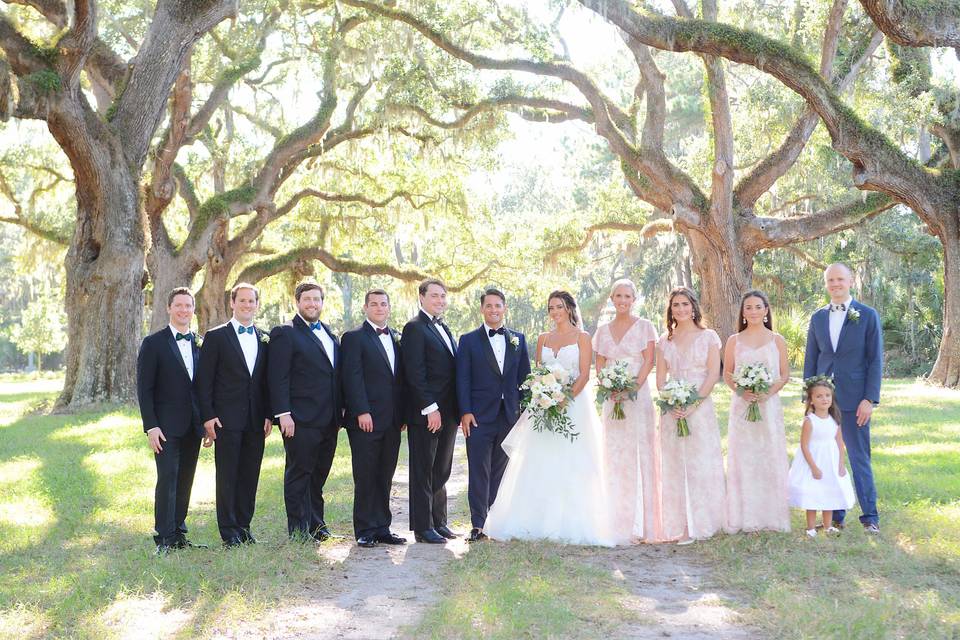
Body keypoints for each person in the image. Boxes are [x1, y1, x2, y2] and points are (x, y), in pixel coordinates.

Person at [484, 291, 616, 546]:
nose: (555, 312)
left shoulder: (583, 337)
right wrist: (544, 394)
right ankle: (535, 519)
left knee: (571, 460)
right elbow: (539, 373)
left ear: (569, 308)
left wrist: (565, 399)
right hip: (543, 406)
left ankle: (570, 520)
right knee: (539, 459)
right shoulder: (543, 338)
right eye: (551, 308)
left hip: (573, 406)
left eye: (559, 307)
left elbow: (585, 375)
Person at [803, 263, 883, 534]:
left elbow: (875, 361)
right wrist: (810, 400)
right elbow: (811, 360)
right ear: (826, 284)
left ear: (850, 281)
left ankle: (870, 516)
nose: (835, 284)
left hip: (855, 398)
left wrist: (869, 399)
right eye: (830, 280)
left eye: (840, 279)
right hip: (824, 402)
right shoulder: (817, 318)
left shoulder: (868, 315)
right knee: (826, 456)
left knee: (859, 457)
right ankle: (834, 515)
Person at [195, 283, 273, 547]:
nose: (247, 305)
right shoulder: (216, 337)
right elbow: (203, 381)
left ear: (257, 304)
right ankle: (229, 531)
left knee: (250, 474)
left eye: (252, 301)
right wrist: (208, 417)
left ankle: (244, 526)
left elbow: (265, 382)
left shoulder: (265, 338)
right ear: (232, 302)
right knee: (227, 475)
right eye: (242, 301)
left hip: (256, 420)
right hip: (225, 420)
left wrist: (268, 415)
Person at [268, 282, 343, 542]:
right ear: (297, 302)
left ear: (322, 302)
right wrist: (283, 413)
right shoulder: (285, 333)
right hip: (299, 419)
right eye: (307, 299)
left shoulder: (330, 334)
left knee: (319, 475)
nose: (312, 304)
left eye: (317, 299)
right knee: (299, 473)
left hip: (329, 418)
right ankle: (298, 530)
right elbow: (278, 377)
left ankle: (317, 526)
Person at [456, 288, 531, 543]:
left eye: (498, 305)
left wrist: (524, 411)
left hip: (508, 416)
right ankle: (477, 524)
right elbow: (462, 379)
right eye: (489, 306)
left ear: (505, 308)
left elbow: (525, 379)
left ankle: (494, 521)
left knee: (500, 470)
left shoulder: (518, 340)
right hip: (478, 416)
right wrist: (465, 411)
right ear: (482, 309)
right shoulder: (468, 340)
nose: (494, 310)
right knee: (479, 470)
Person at [136, 287, 206, 554]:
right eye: (179, 305)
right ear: (168, 308)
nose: (184, 310)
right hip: (164, 427)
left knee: (186, 479)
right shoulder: (153, 343)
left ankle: (178, 532)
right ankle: (163, 538)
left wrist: (205, 423)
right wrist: (151, 426)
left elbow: (201, 387)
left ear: (193, 309)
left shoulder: (199, 342)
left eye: (188, 306)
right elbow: (145, 390)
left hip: (193, 426)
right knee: (167, 478)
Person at [656, 287, 726, 544]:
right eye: (676, 305)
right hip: (672, 409)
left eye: (685, 304)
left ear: (694, 307)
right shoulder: (665, 341)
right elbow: (661, 378)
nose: (681, 309)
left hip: (699, 405)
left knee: (700, 462)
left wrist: (693, 404)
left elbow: (712, 374)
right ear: (670, 309)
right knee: (675, 465)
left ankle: (705, 520)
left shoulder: (709, 337)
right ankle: (680, 525)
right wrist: (671, 400)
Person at [592, 279, 660, 542]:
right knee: (615, 453)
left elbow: (648, 361)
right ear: (612, 299)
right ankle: (616, 517)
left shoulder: (645, 327)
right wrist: (610, 387)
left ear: (634, 299)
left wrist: (630, 388)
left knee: (638, 452)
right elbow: (599, 364)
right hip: (612, 399)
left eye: (627, 296)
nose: (622, 300)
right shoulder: (602, 331)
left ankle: (641, 522)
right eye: (618, 296)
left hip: (637, 397)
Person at [341, 289, 407, 548]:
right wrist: (361, 411)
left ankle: (383, 527)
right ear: (365, 308)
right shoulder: (354, 338)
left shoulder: (396, 337)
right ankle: (365, 529)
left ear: (389, 308)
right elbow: (352, 376)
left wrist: (401, 414)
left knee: (385, 474)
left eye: (383, 304)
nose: (379, 308)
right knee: (366, 474)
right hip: (366, 419)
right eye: (374, 304)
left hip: (392, 420)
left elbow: (398, 380)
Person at [722, 290, 791, 533]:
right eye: (748, 307)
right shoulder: (734, 340)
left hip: (768, 405)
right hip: (742, 406)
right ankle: (744, 516)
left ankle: (772, 516)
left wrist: (768, 392)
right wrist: (742, 391)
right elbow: (727, 374)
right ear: (742, 312)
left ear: (766, 310)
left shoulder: (777, 340)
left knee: (767, 455)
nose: (752, 311)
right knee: (745, 457)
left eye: (757, 307)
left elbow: (784, 375)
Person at [402, 279, 460, 544]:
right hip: (428, 412)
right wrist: (430, 408)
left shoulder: (443, 327)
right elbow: (415, 373)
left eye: (442, 296)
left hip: (449, 412)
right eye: (434, 295)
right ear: (421, 297)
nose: (439, 300)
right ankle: (423, 527)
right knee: (423, 469)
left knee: (442, 469)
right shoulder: (414, 328)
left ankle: (439, 521)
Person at [788, 377, 855, 538]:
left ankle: (827, 526)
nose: (824, 399)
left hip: (830, 461)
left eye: (827, 395)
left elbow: (839, 443)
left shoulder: (835, 420)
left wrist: (840, 464)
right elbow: (804, 446)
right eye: (819, 396)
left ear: (832, 399)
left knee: (829, 492)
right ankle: (810, 527)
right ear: (811, 401)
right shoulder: (810, 421)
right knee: (813, 493)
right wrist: (813, 467)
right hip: (814, 461)